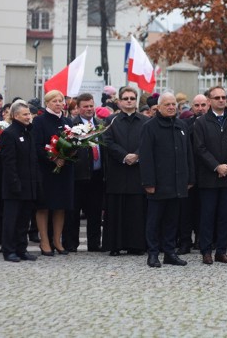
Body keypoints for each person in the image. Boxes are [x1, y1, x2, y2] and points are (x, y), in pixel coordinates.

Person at [139, 92, 195, 268]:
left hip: (178, 182)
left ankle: (170, 253)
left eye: (173, 104)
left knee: (172, 220)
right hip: (158, 183)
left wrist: (190, 177)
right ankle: (153, 254)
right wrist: (148, 182)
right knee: (154, 221)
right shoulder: (150, 127)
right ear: (159, 107)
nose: (171, 107)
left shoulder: (181, 125)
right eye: (167, 104)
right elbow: (146, 157)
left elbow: (188, 154)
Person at [194, 86, 227, 265]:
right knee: (207, 215)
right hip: (209, 176)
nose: (221, 100)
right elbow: (200, 149)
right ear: (209, 101)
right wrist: (216, 166)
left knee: (225, 215)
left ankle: (221, 251)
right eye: (217, 98)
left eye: (224, 97)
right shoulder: (201, 122)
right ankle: (206, 250)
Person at [103, 87, 149, 256]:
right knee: (116, 208)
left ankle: (136, 245)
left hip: (138, 171)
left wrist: (137, 155)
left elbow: (148, 142)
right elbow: (107, 141)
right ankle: (115, 245)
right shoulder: (110, 120)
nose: (129, 101)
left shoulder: (145, 121)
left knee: (136, 209)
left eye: (132, 98)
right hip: (118, 170)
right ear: (120, 101)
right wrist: (124, 156)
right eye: (126, 98)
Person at [31, 90, 74, 256]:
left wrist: (70, 153)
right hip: (46, 170)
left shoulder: (67, 121)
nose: (58, 104)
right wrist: (53, 158)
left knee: (60, 206)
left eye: (60, 101)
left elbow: (75, 142)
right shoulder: (40, 121)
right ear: (47, 103)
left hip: (65, 170)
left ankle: (57, 240)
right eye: (54, 101)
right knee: (44, 206)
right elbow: (37, 145)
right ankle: (45, 241)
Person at [0, 101, 40, 262]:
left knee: (24, 220)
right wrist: (14, 183)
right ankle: (9, 250)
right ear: (16, 116)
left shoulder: (28, 132)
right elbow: (9, 163)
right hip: (14, 186)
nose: (28, 116)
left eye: (29, 114)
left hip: (28, 184)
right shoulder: (9, 134)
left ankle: (21, 249)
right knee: (12, 220)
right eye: (25, 114)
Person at [63, 93, 104, 252]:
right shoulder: (71, 126)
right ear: (78, 108)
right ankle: (71, 243)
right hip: (78, 175)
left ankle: (94, 244)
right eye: (85, 106)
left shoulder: (101, 124)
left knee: (95, 212)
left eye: (91, 106)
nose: (89, 109)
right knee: (73, 212)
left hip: (97, 174)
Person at [176, 94, 209, 254]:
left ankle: (202, 241)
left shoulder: (214, 123)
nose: (200, 108)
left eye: (203, 105)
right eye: (197, 105)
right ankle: (185, 241)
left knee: (204, 210)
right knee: (185, 211)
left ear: (208, 105)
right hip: (188, 173)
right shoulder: (184, 124)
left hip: (208, 172)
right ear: (192, 107)